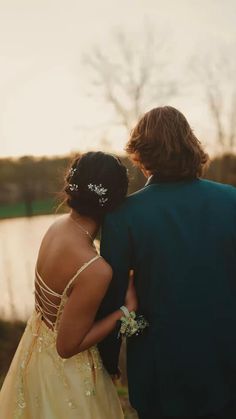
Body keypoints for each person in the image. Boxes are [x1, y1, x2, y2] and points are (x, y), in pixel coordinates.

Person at [98, 106, 236, 418]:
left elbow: (111, 296)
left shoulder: (123, 216)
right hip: (227, 359)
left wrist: (107, 360)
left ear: (141, 155)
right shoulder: (231, 200)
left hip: (162, 370)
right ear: (191, 145)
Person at [0, 151, 138, 419]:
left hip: (34, 358)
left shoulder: (57, 228)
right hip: (69, 380)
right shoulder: (95, 269)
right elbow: (67, 346)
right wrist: (125, 310)